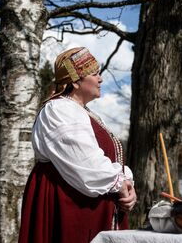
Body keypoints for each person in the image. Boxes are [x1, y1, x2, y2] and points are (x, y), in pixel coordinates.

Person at [18, 47, 137, 243]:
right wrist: (120, 184)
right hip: (69, 206)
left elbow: (105, 160)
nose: (100, 79)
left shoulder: (85, 113)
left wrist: (127, 184)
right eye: (94, 73)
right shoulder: (59, 109)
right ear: (74, 81)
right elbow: (85, 162)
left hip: (89, 204)